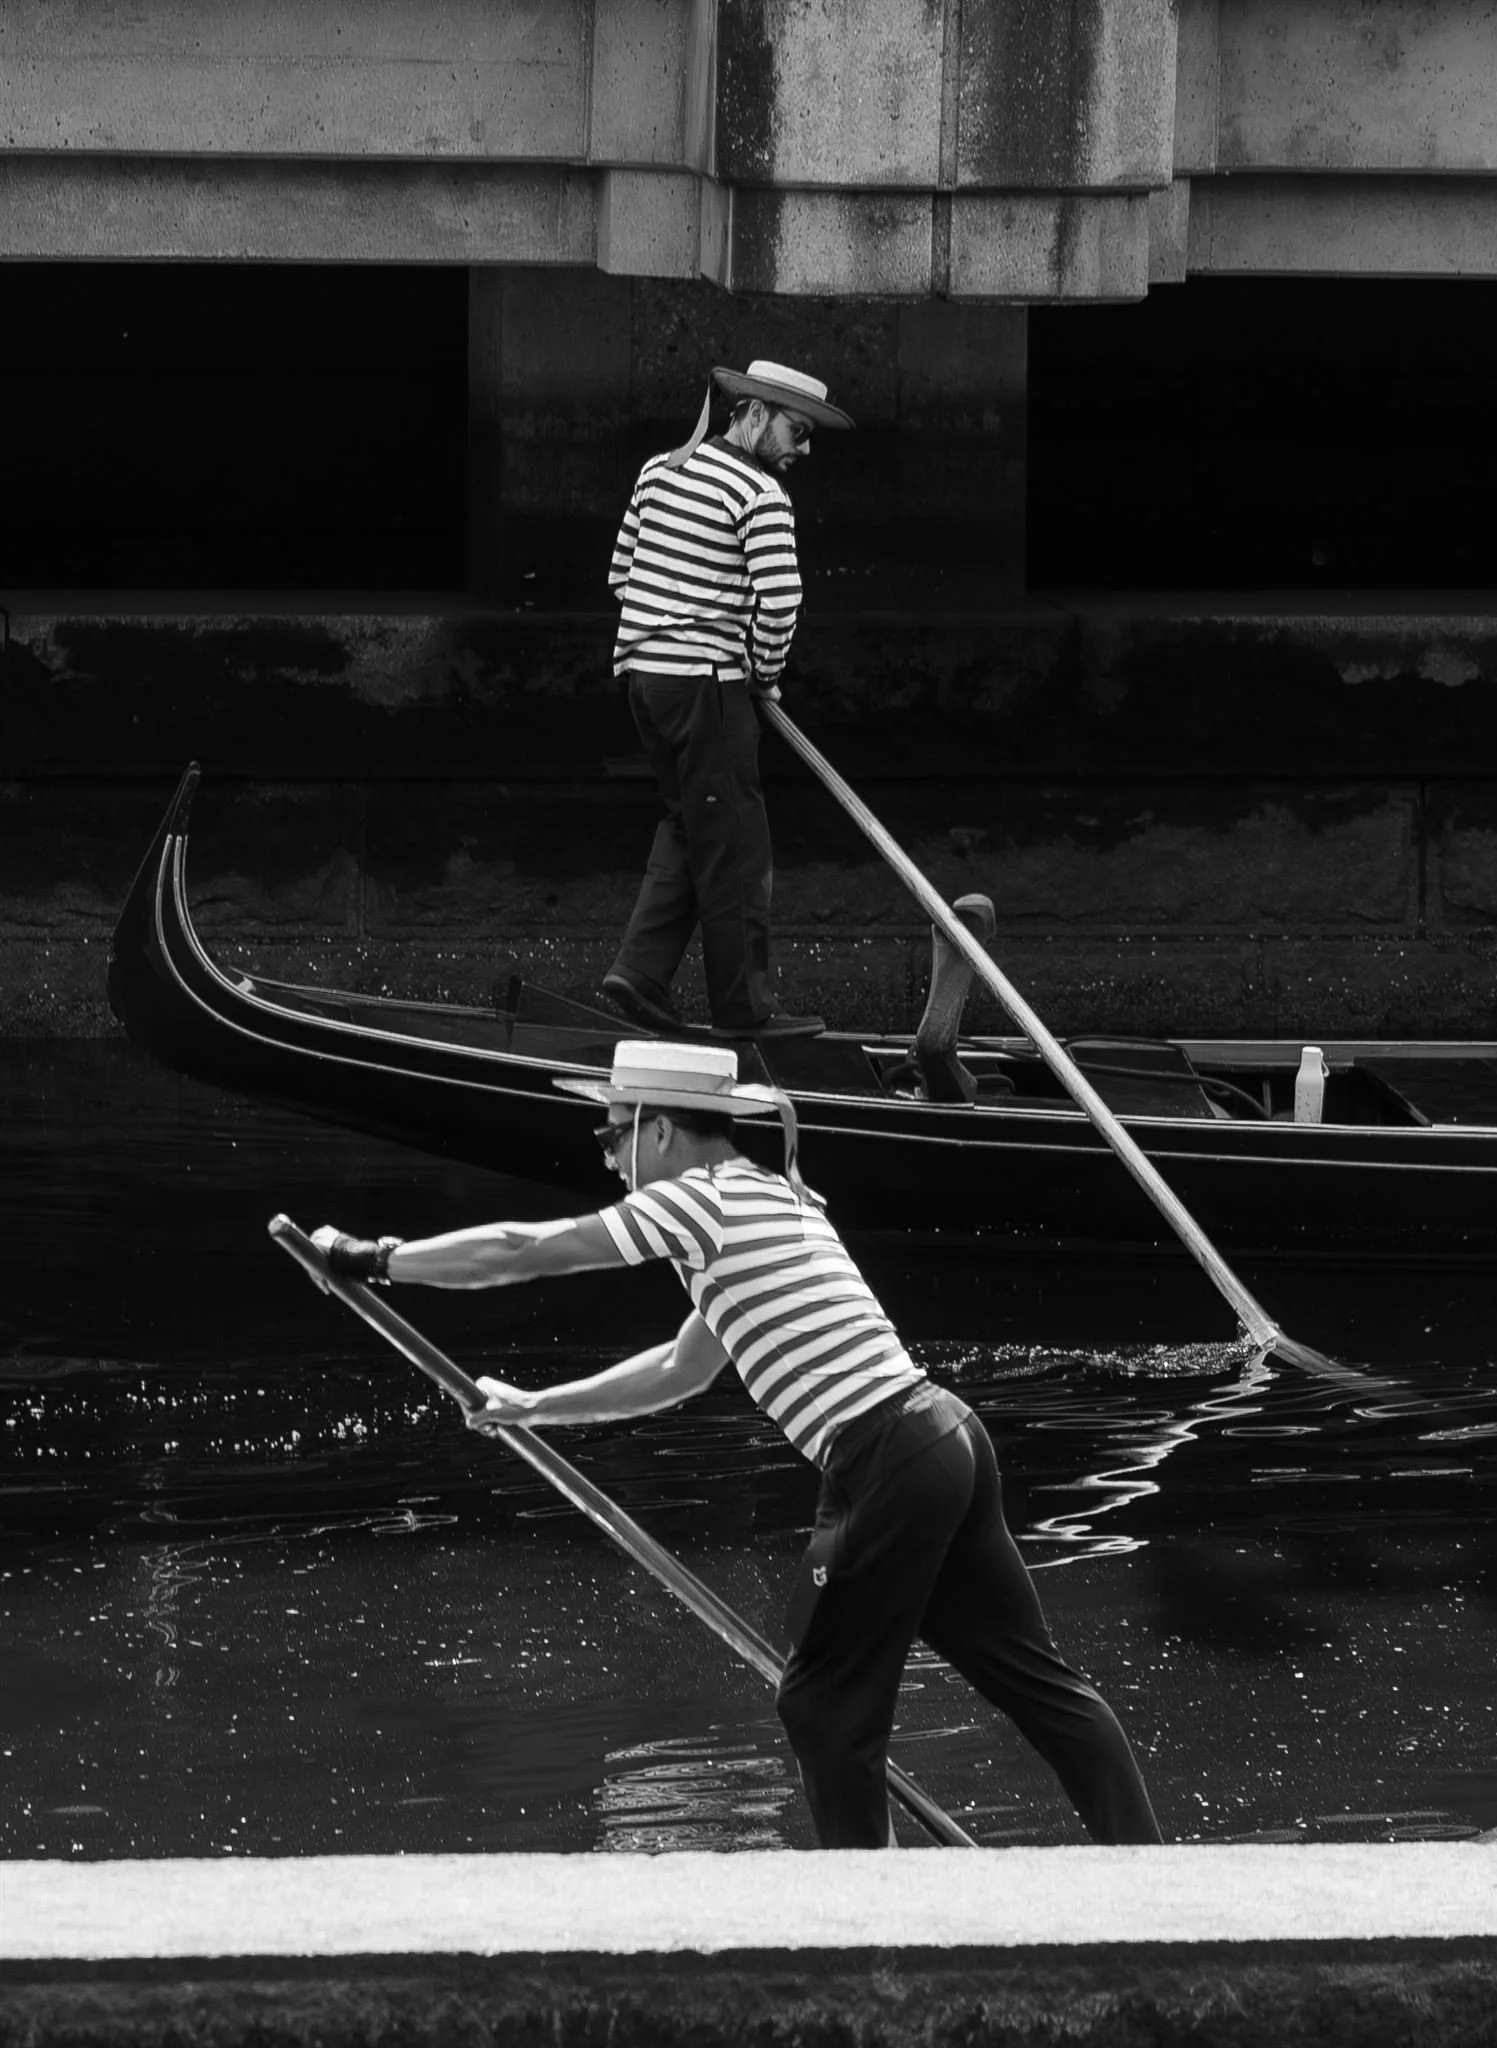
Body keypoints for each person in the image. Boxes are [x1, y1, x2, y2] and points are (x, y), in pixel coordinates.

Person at [321, 1039, 1163, 1851]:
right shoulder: (764, 1197)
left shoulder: (699, 1198)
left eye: (611, 1134)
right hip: (944, 1436)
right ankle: (1157, 1878)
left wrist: (375, 1258)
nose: (609, 1158)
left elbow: (526, 1250)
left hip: (886, 1457)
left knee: (822, 1710)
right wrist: (537, 1406)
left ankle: (886, 1937)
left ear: (656, 1128)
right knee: (1039, 1687)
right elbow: (683, 1368)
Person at [600, 359, 854, 1043]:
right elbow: (781, 604)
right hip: (707, 687)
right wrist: (763, 676)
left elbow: (621, 575)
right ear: (750, 414)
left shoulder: (660, 469)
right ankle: (745, 1012)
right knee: (736, 847)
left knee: (691, 826)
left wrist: (674, 626)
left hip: (644, 684)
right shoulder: (761, 496)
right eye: (796, 432)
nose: (802, 450)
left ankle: (639, 975)